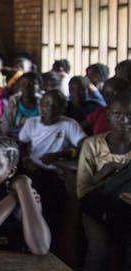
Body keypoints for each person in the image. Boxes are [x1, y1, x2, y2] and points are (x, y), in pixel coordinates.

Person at [76, 90, 131, 271]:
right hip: (98, 206)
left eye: (129, 115)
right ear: (108, 115)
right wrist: (103, 173)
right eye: (118, 115)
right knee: (99, 250)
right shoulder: (92, 145)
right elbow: (82, 191)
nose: (124, 120)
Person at [18, 90, 85, 235]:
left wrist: (59, 155)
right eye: (46, 103)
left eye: (56, 105)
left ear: (63, 107)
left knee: (52, 205)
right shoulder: (32, 123)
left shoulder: (69, 124)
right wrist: (26, 159)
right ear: (40, 106)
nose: (51, 108)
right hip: (33, 169)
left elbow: (84, 145)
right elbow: (21, 144)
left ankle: (49, 236)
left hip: (55, 172)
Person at [0, 72, 41, 139]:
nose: (27, 87)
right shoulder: (13, 101)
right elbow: (5, 123)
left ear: (39, 86)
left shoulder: (43, 102)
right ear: (19, 86)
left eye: (31, 84)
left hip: (37, 139)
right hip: (15, 139)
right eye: (23, 84)